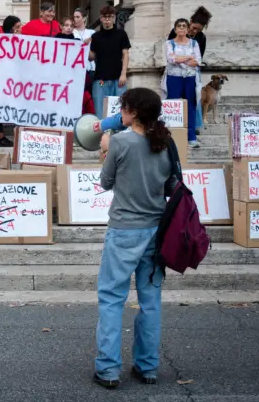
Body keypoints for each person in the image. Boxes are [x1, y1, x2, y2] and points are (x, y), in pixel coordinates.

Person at [93, 87, 174, 389]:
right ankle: (148, 366)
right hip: (156, 229)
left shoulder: (121, 142)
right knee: (150, 300)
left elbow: (105, 182)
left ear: (134, 112)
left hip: (125, 229)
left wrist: (104, 148)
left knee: (112, 298)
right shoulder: (165, 142)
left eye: (123, 108)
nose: (120, 113)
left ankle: (108, 369)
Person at [167, 6, 212, 135]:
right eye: (194, 28)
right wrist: (187, 58)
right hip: (175, 72)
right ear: (190, 22)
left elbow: (198, 60)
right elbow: (171, 56)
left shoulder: (201, 38)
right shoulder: (177, 32)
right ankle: (175, 125)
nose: (195, 31)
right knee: (175, 99)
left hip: (192, 73)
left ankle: (193, 126)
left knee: (193, 99)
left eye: (199, 29)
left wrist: (184, 60)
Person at [165, 18, 202, 148]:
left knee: (190, 105)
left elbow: (197, 61)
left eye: (184, 26)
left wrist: (181, 59)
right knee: (173, 106)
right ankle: (171, 135)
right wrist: (188, 57)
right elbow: (171, 59)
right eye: (179, 26)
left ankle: (191, 136)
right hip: (174, 77)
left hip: (190, 78)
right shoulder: (170, 43)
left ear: (187, 29)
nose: (181, 28)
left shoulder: (194, 43)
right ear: (175, 29)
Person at [89, 5, 131, 118]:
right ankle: (102, 135)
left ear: (114, 18)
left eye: (110, 17)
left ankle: (117, 135)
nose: (107, 20)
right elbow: (91, 57)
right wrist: (82, 46)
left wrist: (123, 74)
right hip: (100, 80)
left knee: (120, 113)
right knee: (100, 113)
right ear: (101, 18)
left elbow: (125, 54)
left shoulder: (121, 34)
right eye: (105, 17)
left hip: (118, 79)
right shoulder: (95, 36)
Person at [0, 15, 24, 147]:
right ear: (10, 29)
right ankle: (0, 136)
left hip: (15, 79)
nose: (21, 29)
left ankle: (20, 134)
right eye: (18, 27)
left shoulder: (22, 38)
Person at [72, 8, 96, 93]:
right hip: (76, 69)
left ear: (84, 18)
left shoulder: (92, 33)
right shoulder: (72, 33)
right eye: (74, 17)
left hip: (91, 69)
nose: (75, 19)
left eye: (78, 17)